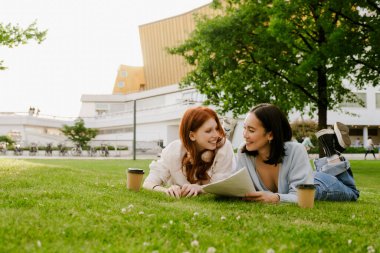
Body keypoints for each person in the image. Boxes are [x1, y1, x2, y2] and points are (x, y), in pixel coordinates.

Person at [237, 103, 359, 203]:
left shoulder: (295, 150)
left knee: (352, 193)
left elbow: (301, 196)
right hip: (302, 177)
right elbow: (237, 186)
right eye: (244, 128)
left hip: (318, 184)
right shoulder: (243, 153)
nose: (245, 135)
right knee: (308, 179)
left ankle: (333, 155)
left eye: (251, 130)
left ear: (270, 134)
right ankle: (331, 151)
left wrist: (276, 198)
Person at [143, 106, 236, 198]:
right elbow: (149, 183)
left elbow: (220, 186)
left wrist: (200, 189)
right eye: (208, 131)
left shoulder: (223, 148)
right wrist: (166, 190)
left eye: (216, 128)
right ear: (192, 135)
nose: (216, 135)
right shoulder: (174, 150)